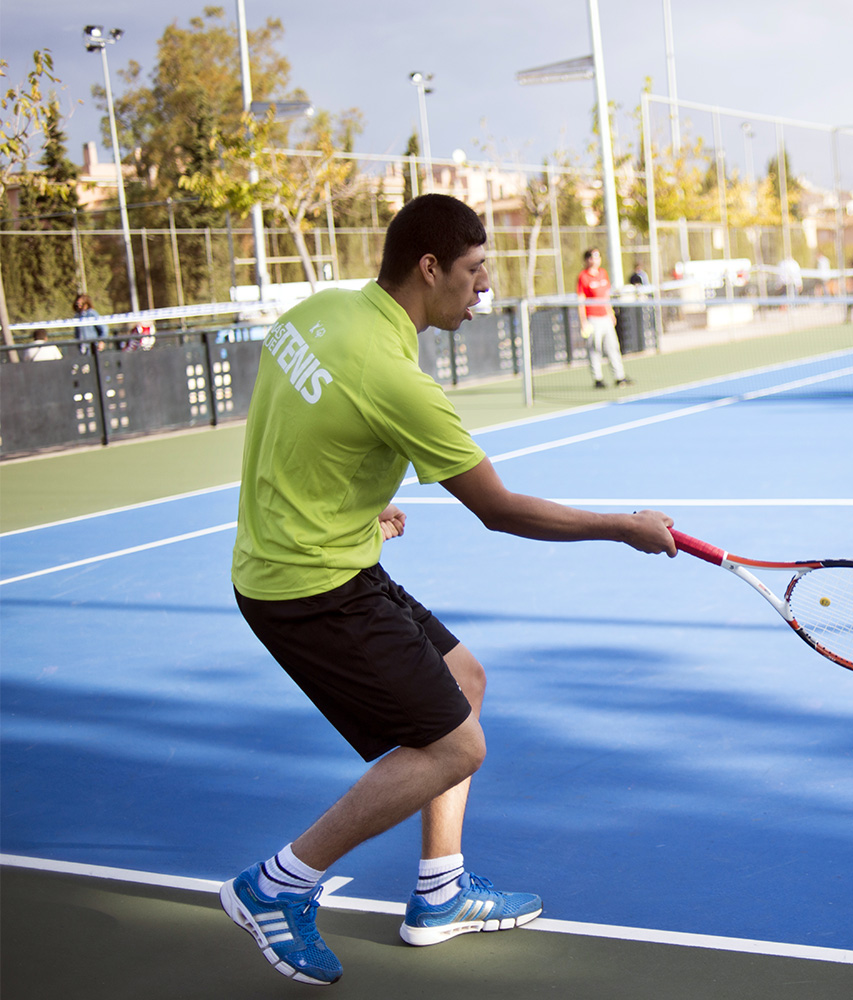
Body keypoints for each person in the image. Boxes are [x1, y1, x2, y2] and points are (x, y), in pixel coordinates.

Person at [221, 194, 677, 986]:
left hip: (310, 556)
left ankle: (440, 891)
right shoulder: (398, 381)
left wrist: (354, 498)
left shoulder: (318, 312)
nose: (483, 289)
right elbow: (499, 511)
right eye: (473, 272)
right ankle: (277, 885)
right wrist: (626, 526)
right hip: (309, 587)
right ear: (429, 268)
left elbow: (297, 418)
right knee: (458, 745)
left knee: (464, 682)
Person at [576, 248, 629, 388]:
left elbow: (606, 297)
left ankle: (620, 377)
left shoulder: (603, 273)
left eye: (598, 257)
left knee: (613, 347)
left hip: (605, 318)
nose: (596, 260)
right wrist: (583, 321)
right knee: (595, 349)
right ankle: (597, 379)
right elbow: (581, 301)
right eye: (593, 257)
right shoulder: (583, 277)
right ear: (587, 260)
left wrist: (611, 313)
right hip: (593, 319)